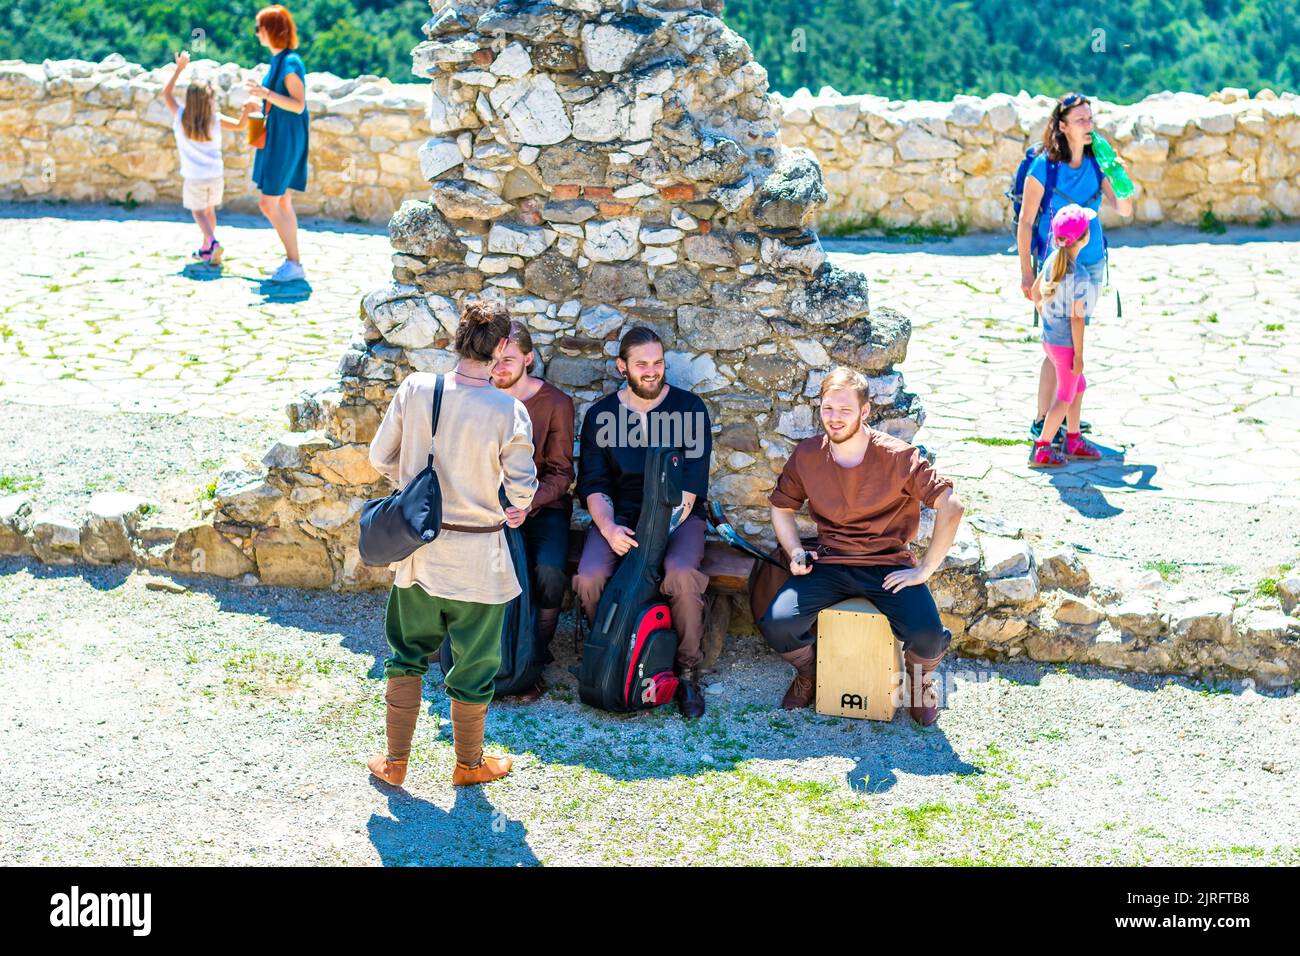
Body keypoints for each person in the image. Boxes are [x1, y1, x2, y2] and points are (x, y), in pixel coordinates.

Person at [366, 300, 538, 788]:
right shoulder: (510, 409)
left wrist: (413, 487)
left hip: (418, 552)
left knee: (405, 655)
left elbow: (382, 456)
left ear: (456, 339)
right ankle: (468, 765)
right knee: (475, 667)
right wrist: (516, 505)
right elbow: (522, 487)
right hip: (480, 560)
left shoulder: (416, 388)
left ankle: (396, 762)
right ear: (503, 347)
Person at [757, 367, 966, 726]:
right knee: (777, 623)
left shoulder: (899, 457)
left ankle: (919, 685)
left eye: (844, 410)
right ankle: (811, 675)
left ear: (865, 411)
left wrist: (924, 569)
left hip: (887, 566)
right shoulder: (808, 455)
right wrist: (794, 551)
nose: (834, 419)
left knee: (928, 636)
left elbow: (952, 506)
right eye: (827, 409)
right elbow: (781, 506)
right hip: (830, 563)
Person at [574, 326, 713, 719]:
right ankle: (609, 649)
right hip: (620, 517)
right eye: (641, 364)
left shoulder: (688, 410)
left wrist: (658, 537)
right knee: (590, 577)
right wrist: (608, 529)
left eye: (658, 362)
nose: (652, 371)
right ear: (622, 367)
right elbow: (594, 483)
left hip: (677, 516)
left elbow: (690, 486)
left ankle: (687, 669)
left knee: (681, 574)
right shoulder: (602, 415)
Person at [1016, 91, 1132, 444]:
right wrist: (1025, 271)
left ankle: (1065, 421)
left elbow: (1125, 210)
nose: (1088, 125)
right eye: (1080, 119)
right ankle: (1043, 420)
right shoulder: (1044, 168)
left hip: (1093, 263)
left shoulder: (1098, 164)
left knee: (1070, 341)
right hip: (1057, 267)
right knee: (1058, 345)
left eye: (1090, 119)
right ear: (1062, 126)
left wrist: (1116, 170)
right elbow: (1025, 221)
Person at [489, 321, 576, 702]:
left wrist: (527, 503)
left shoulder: (555, 403)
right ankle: (484, 657)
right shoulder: (479, 396)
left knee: (549, 568)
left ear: (528, 358)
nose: (499, 368)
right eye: (492, 359)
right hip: (487, 507)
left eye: (507, 359)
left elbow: (562, 473)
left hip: (543, 507)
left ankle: (532, 661)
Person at [1028, 205, 1103, 467]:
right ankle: (1042, 448)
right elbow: (1077, 319)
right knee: (1065, 397)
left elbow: (1036, 293)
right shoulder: (1079, 275)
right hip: (1066, 347)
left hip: (1050, 342)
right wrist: (1079, 356)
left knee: (1077, 387)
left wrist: (1046, 315)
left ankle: (1073, 438)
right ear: (1084, 238)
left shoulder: (1051, 261)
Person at [160, 51, 252, 265]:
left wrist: (179, 69)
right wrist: (247, 111)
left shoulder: (181, 117)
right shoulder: (216, 120)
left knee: (198, 211)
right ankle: (206, 249)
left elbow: (166, 94)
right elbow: (240, 125)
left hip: (194, 176)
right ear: (209, 100)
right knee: (209, 211)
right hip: (215, 175)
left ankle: (211, 241)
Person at [247, 5, 310, 283]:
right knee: (282, 200)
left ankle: (294, 262)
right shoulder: (279, 60)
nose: (256, 33)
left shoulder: (290, 62)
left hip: (286, 138)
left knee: (268, 201)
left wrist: (266, 94)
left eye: (259, 27)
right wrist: (261, 100)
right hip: (277, 135)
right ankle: (292, 261)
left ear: (271, 29)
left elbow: (298, 105)